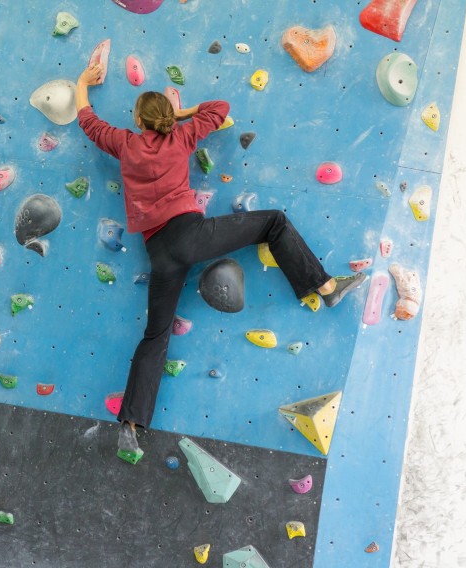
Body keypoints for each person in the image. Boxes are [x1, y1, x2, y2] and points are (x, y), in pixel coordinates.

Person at [75, 64, 366, 464]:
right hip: (191, 236)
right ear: (165, 119)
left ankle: (130, 425)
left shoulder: (125, 143)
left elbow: (88, 122)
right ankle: (326, 288)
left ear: (138, 120)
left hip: (159, 252)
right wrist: (179, 114)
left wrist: (80, 85)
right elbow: (219, 107)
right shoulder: (181, 136)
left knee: (155, 336)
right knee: (273, 222)